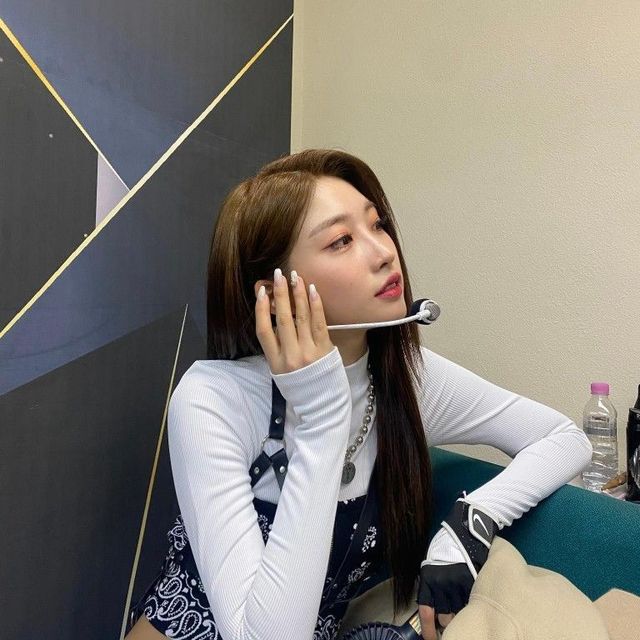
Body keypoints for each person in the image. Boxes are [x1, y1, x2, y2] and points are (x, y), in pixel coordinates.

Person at [125, 149, 592, 640]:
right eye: (341, 240)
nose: (384, 252)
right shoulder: (213, 398)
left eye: (377, 225)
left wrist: (469, 525)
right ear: (274, 294)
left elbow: (565, 439)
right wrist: (323, 415)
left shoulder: (407, 379)